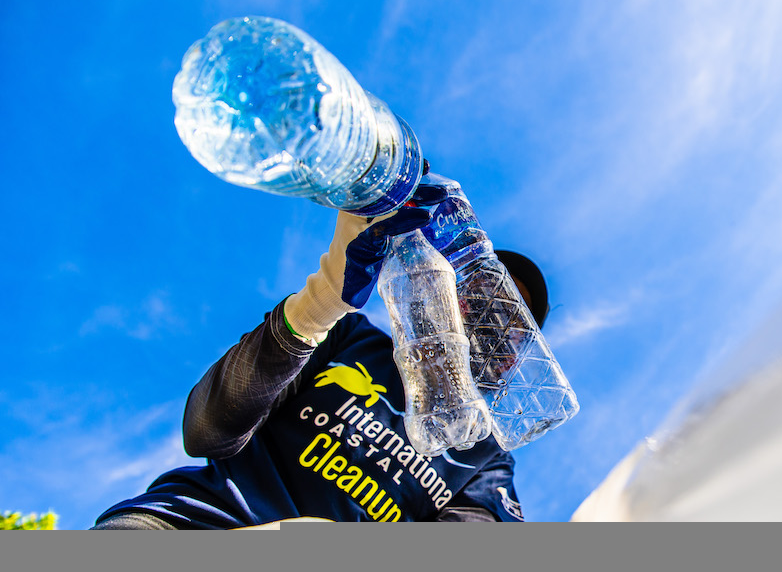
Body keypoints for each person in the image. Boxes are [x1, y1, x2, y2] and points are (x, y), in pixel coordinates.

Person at [92, 171, 546, 528]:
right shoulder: (349, 336)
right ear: (438, 295)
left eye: (511, 318)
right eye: (479, 295)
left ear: (516, 359)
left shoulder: (487, 455)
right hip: (202, 521)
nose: (490, 321)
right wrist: (321, 302)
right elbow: (206, 429)